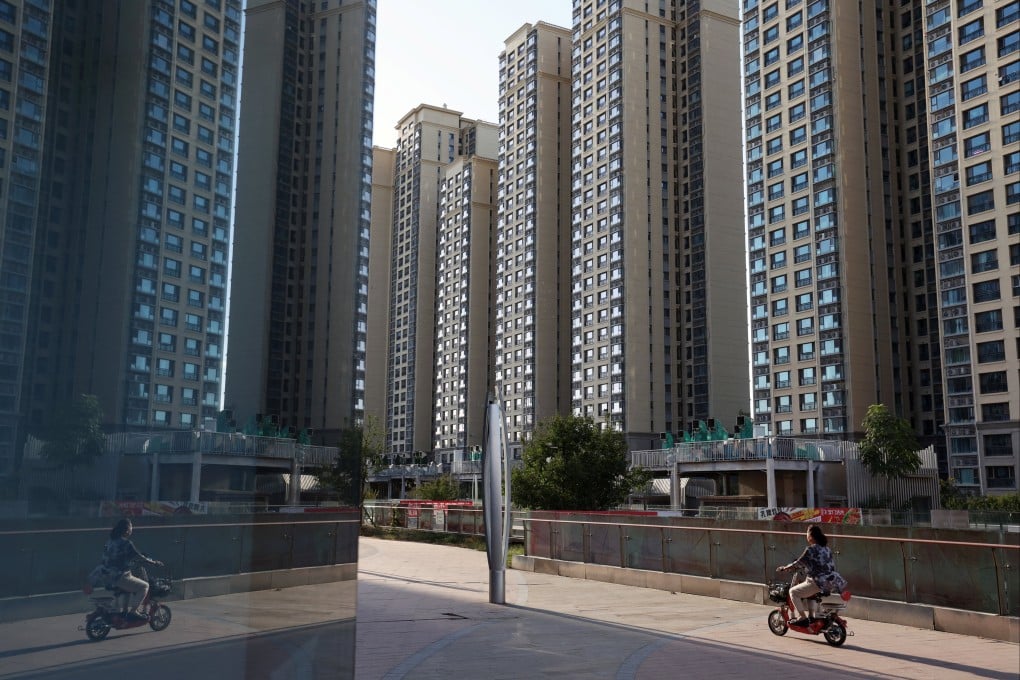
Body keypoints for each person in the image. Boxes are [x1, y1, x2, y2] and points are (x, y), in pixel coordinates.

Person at [777, 524, 844, 626]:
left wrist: (784, 568)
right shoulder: (827, 549)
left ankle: (803, 618)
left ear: (811, 536)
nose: (806, 535)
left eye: (807, 533)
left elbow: (798, 563)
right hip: (832, 581)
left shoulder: (811, 550)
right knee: (809, 591)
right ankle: (811, 616)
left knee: (793, 592)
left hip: (818, 581)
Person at [103, 518, 163, 620]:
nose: (132, 530)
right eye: (131, 527)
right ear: (127, 530)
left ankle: (124, 613)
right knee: (145, 586)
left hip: (107, 575)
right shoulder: (127, 543)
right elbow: (139, 556)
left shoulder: (110, 541)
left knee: (128, 588)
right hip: (120, 576)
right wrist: (154, 562)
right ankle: (133, 611)